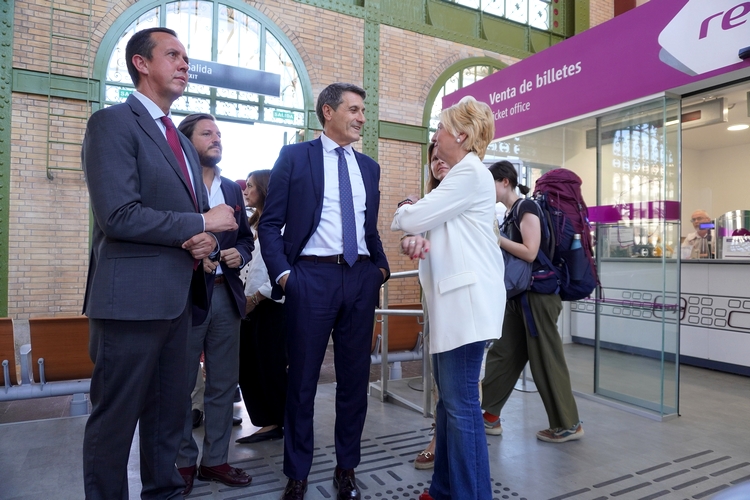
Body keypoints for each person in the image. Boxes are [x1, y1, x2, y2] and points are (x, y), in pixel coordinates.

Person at [81, 27, 238, 500]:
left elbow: (186, 217)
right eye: (173, 55)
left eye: (186, 57)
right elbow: (117, 214)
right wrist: (201, 220)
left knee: (168, 419)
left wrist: (203, 238)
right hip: (130, 303)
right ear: (141, 63)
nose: (184, 64)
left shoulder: (181, 142)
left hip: (180, 302)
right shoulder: (111, 123)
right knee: (114, 422)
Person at [258, 82, 390, 500]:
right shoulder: (295, 157)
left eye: (363, 111)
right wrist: (285, 276)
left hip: (361, 277)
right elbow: (269, 224)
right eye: (354, 110)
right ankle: (297, 474)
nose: (362, 118)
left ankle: (346, 469)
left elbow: (368, 227)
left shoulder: (369, 167)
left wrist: (380, 270)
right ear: (328, 112)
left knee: (355, 382)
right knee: (302, 383)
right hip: (310, 279)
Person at [391, 95, 505, 500]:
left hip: (465, 310)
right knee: (448, 406)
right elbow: (431, 229)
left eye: (440, 127)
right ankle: (442, 490)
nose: (435, 135)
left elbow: (412, 217)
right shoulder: (464, 177)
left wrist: (406, 207)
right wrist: (417, 235)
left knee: (461, 408)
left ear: (461, 135)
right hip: (454, 308)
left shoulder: (469, 173)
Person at [174, 113, 255, 493]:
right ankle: (182, 463)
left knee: (223, 383)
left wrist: (240, 253)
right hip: (185, 295)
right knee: (179, 384)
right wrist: (191, 254)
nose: (216, 138)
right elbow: (163, 229)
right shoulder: (176, 183)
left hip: (226, 294)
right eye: (207, 133)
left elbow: (246, 239)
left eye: (219, 134)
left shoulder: (232, 190)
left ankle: (216, 461)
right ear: (186, 141)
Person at [481, 160, 584, 443]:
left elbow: (530, 251)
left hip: (538, 295)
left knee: (545, 358)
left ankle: (568, 424)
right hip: (520, 295)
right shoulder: (510, 213)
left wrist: (496, 238)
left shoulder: (526, 207)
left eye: (489, 183)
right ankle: (488, 415)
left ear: (505, 181)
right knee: (503, 353)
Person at [236, 169, 287, 445]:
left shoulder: (282, 225)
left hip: (269, 305)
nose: (246, 190)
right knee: (247, 364)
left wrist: (256, 298)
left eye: (251, 186)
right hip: (248, 304)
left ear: (265, 189)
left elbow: (280, 268)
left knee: (270, 365)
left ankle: (277, 422)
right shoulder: (253, 225)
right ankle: (266, 420)